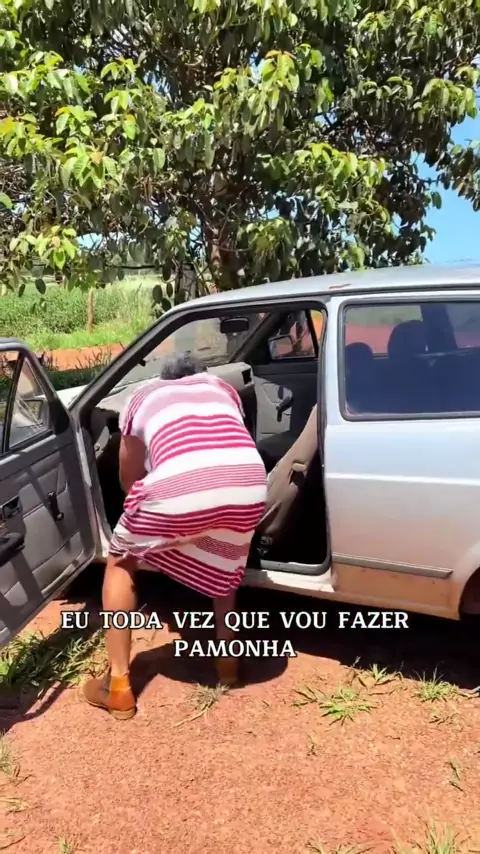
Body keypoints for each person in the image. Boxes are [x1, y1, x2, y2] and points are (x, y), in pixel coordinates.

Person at [82, 353, 268, 720]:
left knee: (121, 562)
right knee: (225, 557)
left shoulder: (142, 396)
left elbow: (129, 478)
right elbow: (226, 449)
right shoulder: (223, 389)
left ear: (164, 380)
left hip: (180, 487)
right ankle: (227, 661)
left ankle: (117, 686)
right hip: (250, 481)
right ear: (202, 375)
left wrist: (162, 522)